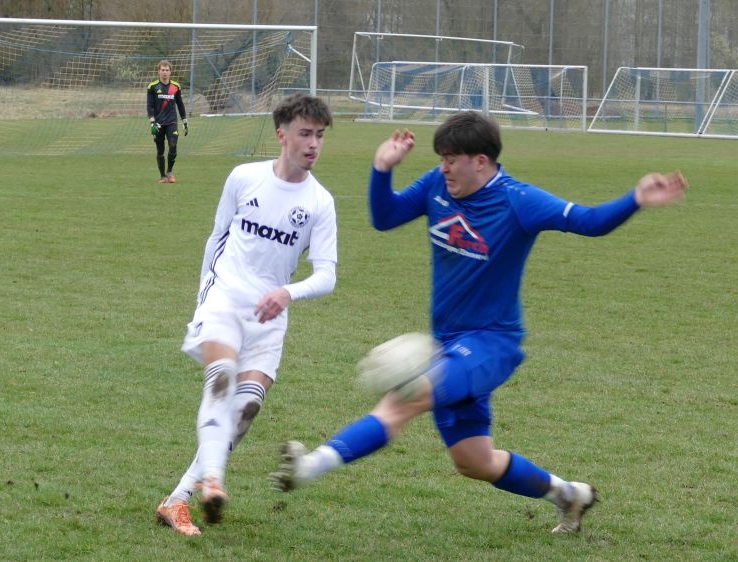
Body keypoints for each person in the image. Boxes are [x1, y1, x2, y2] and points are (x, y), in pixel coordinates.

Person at [270, 112, 688, 534]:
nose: (444, 168)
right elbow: (385, 217)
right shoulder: (437, 185)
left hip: (492, 344)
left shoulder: (519, 201)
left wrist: (635, 198)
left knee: (406, 396)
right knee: (474, 461)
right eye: (441, 159)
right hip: (447, 344)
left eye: (452, 160)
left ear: (482, 161)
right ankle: (569, 495)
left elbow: (589, 221)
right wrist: (382, 169)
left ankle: (311, 466)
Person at [156, 93, 336, 537]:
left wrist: (288, 293)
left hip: (269, 315)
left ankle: (177, 499)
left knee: (248, 404)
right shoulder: (244, 177)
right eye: (305, 134)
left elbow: (327, 275)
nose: (314, 144)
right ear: (282, 135)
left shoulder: (320, 202)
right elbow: (217, 237)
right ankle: (213, 480)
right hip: (225, 296)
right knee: (221, 379)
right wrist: (204, 298)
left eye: (319, 135)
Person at [146, 60, 188, 184]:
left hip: (172, 122)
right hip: (158, 123)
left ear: (170, 72)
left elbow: (180, 104)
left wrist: (184, 121)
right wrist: (152, 122)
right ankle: (163, 176)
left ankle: (169, 172)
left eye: (167, 70)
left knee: (173, 146)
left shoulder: (176, 87)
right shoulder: (152, 87)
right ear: (159, 71)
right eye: (162, 70)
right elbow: (150, 106)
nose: (165, 72)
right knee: (160, 150)